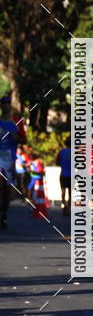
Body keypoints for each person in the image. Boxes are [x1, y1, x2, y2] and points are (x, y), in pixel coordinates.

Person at [0, 95, 23, 228]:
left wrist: (17, 138)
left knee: (8, 189)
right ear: (1, 106)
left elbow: (24, 140)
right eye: (4, 103)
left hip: (10, 159)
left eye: (8, 103)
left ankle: (4, 214)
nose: (6, 105)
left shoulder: (17, 122)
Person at [56, 137, 72, 217]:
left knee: (63, 192)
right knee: (70, 193)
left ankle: (64, 205)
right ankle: (68, 208)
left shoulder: (61, 152)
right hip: (71, 175)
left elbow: (57, 162)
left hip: (63, 174)